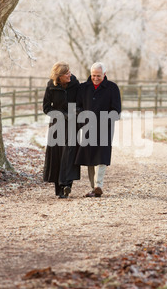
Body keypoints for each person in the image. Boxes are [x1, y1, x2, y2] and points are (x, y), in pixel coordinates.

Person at [75, 62, 121, 197]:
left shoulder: (112, 88)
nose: (95, 78)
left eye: (98, 76)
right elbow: (78, 107)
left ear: (104, 74)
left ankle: (98, 185)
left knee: (101, 156)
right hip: (88, 126)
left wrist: (105, 119)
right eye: (93, 75)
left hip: (105, 127)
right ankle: (93, 188)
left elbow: (116, 110)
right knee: (89, 157)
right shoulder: (83, 88)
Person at [43, 62, 80, 198]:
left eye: (69, 72)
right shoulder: (51, 86)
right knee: (57, 155)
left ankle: (67, 185)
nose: (70, 75)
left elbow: (81, 103)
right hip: (57, 124)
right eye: (66, 73)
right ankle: (59, 189)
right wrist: (60, 114)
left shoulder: (76, 84)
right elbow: (46, 108)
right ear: (59, 76)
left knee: (69, 154)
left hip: (72, 124)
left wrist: (76, 112)